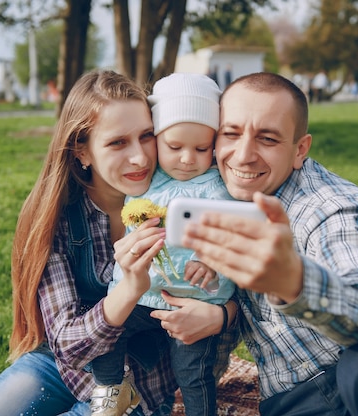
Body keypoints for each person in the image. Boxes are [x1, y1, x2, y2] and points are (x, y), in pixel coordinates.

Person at [0, 69, 236, 416]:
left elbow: (246, 290)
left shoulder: (193, 195)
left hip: (141, 384)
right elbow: (67, 348)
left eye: (147, 136)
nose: (141, 158)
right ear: (82, 152)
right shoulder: (55, 219)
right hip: (61, 366)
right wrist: (129, 287)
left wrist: (222, 315)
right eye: (118, 142)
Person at [179, 72, 358, 416]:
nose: (244, 155)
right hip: (296, 400)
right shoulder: (214, 202)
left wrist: (293, 280)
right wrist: (220, 316)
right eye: (231, 133)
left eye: (267, 138)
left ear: (300, 150)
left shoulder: (332, 207)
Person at [90, 73, 235, 416]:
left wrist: (212, 260)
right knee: (106, 334)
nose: (187, 158)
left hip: (195, 303)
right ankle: (112, 389)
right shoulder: (147, 177)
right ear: (158, 139)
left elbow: (231, 231)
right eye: (174, 147)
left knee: (194, 374)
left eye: (201, 148)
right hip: (143, 295)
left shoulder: (218, 187)